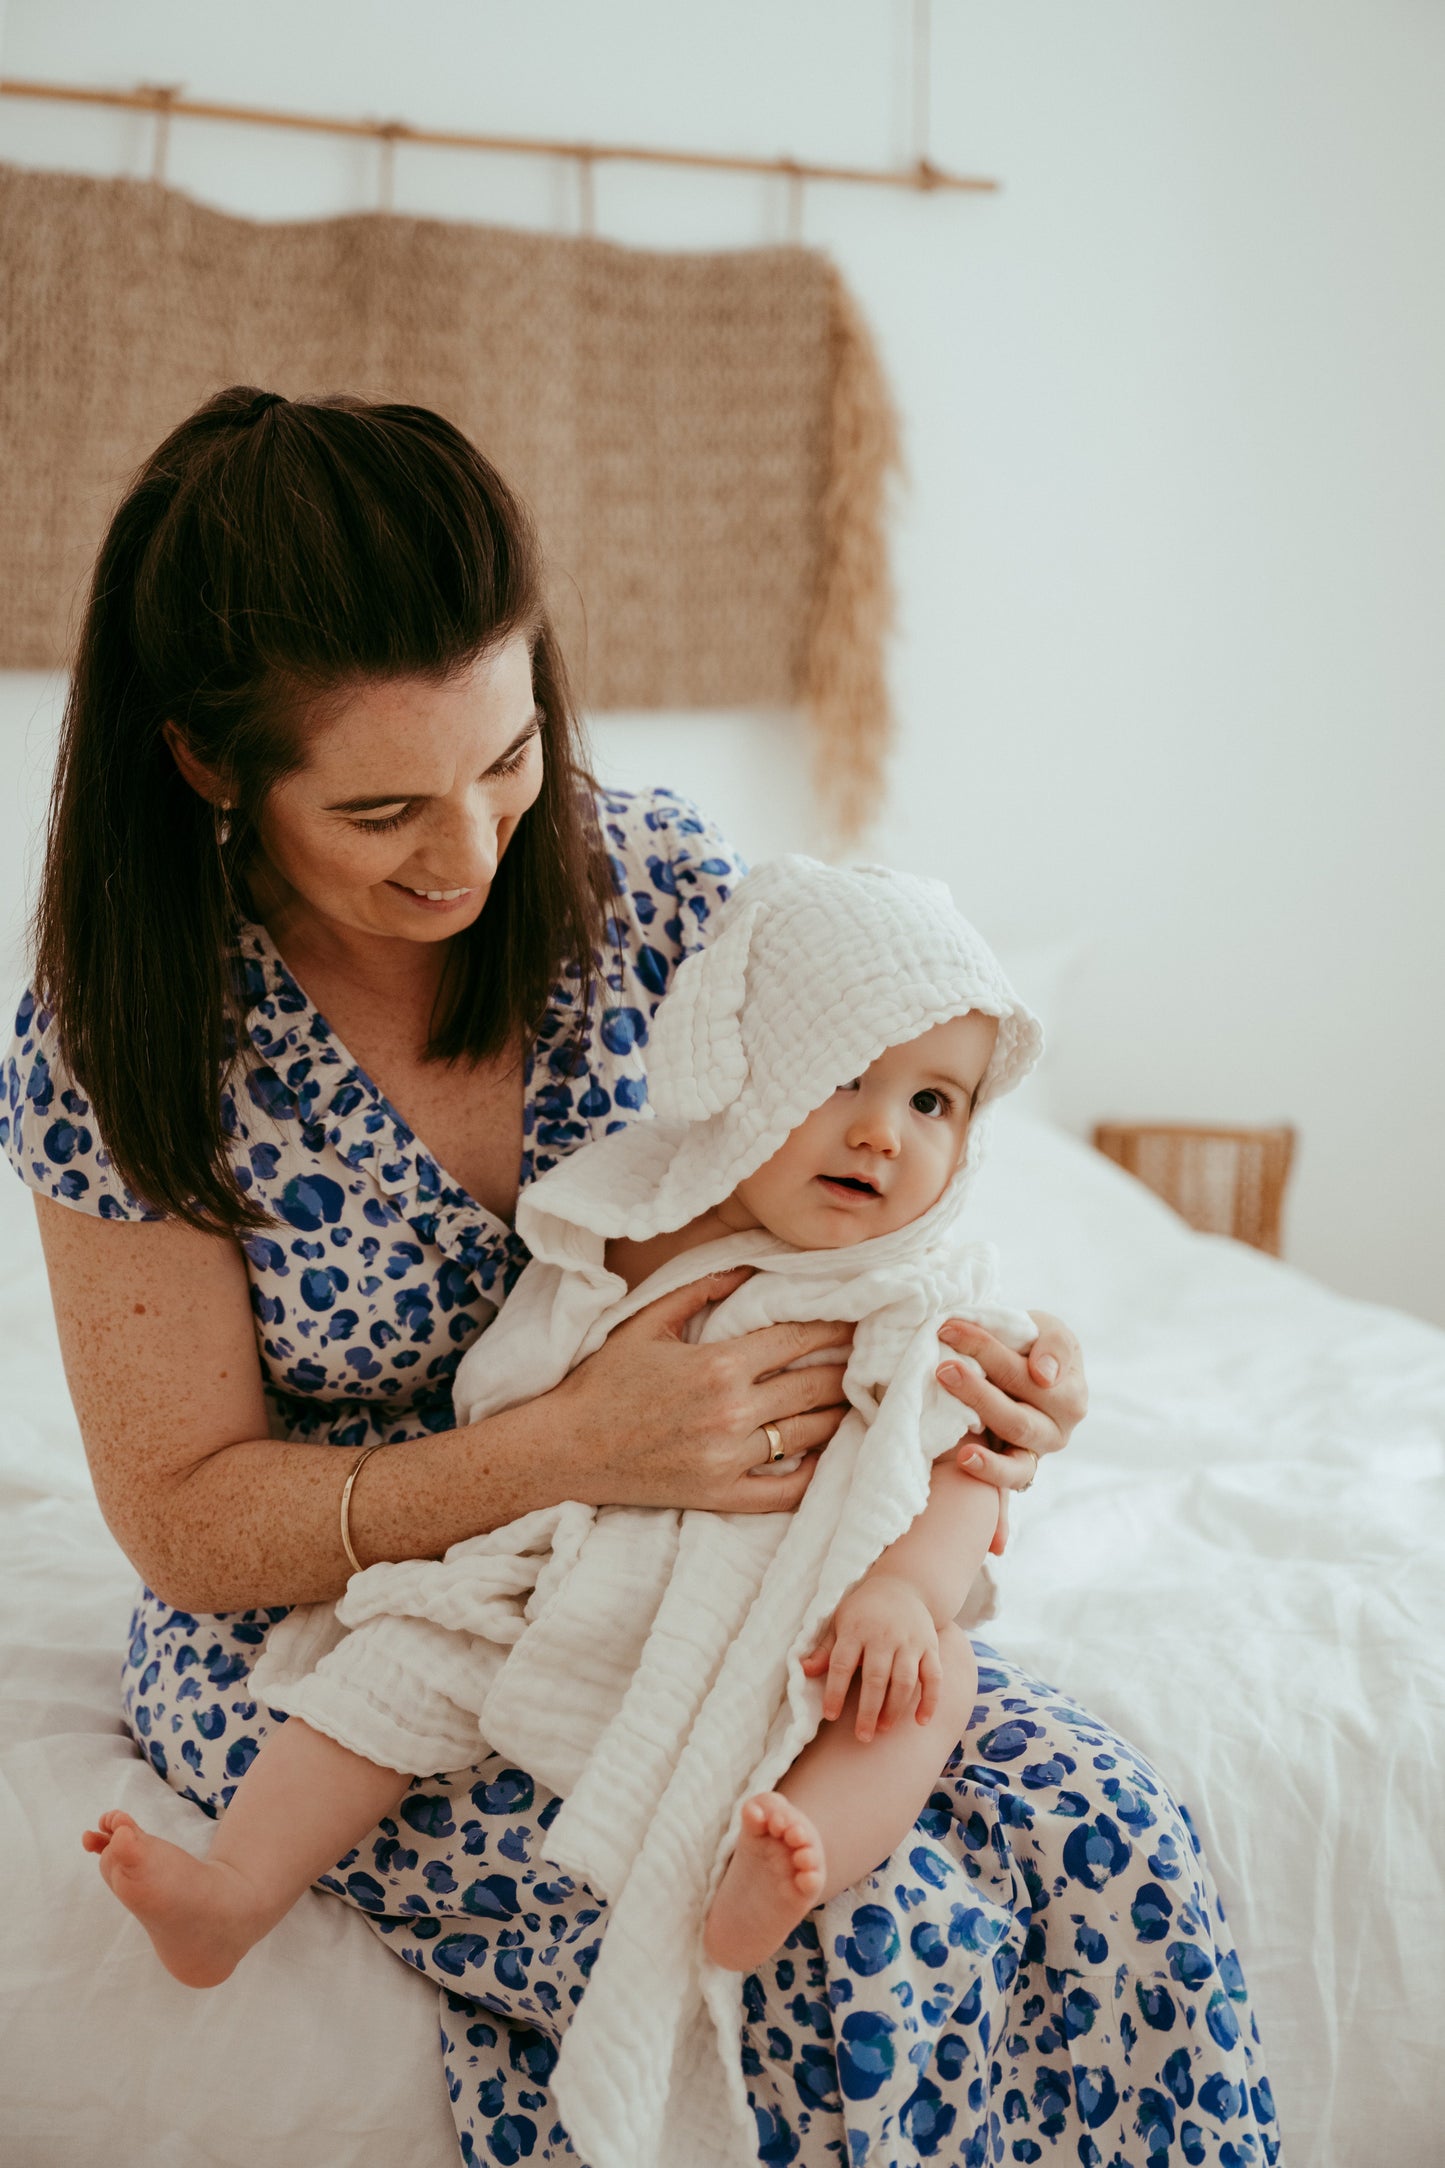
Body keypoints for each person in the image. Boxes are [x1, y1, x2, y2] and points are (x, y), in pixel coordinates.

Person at [2, 388, 1279, 2168]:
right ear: (214, 770)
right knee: (851, 1953)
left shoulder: (657, 885)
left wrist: (992, 1395)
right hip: (345, 1616)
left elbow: (892, 1136)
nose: (471, 852)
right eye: (381, 807)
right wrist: (571, 1448)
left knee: (1109, 1838)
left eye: (506, 760)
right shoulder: (123, 1041)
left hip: (737, 1581)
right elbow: (189, 1526)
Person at [81, 857, 1043, 2168]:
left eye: (932, 1101)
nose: (882, 1133)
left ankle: (792, 1849)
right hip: (585, 1546)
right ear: (750, 1083)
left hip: (810, 1587)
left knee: (916, 1696)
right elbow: (521, 1380)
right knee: (402, 1659)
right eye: (840, 1081)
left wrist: (903, 1592)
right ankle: (234, 1888)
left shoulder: (924, 1285)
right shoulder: (643, 1222)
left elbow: (959, 1472)